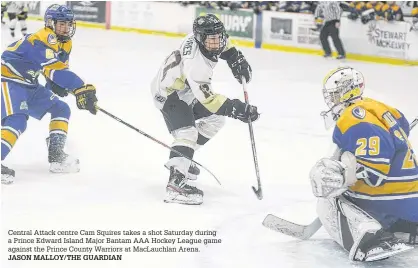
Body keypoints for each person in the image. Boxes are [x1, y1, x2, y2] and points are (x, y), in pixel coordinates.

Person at [309, 66, 417, 262]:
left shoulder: (352, 116)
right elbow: (402, 126)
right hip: (410, 199)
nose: (331, 101)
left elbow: (376, 171)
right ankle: (405, 226)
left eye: (333, 95)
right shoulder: (373, 106)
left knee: (339, 196)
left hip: (389, 199)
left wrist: (344, 176)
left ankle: (372, 240)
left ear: (345, 92)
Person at [150, 14, 259, 205]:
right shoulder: (196, 65)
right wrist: (237, 109)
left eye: (218, 38)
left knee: (216, 120)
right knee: (187, 132)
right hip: (169, 94)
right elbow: (209, 101)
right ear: (200, 38)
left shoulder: (202, 38)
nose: (216, 44)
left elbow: (224, 44)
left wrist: (235, 57)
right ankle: (175, 184)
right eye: (211, 40)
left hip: (185, 90)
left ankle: (184, 155)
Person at [1, 4, 99, 184]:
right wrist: (80, 88)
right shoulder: (43, 38)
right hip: (7, 80)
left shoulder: (65, 43)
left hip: (29, 83)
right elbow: (54, 70)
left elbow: (56, 72)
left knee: (61, 108)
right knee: (17, 120)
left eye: (68, 24)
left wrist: (58, 86)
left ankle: (56, 155)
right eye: (61, 24)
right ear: (50, 23)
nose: (66, 28)